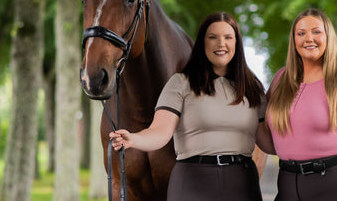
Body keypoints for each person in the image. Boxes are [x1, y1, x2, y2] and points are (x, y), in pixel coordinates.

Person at [110, 12, 274, 201]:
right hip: (193, 182)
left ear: (236, 43)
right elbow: (160, 131)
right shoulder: (180, 83)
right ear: (202, 43)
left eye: (228, 37)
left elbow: (267, 141)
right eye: (213, 37)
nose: (221, 44)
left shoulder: (252, 88)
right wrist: (134, 139)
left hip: (242, 183)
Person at [266, 8, 337, 201]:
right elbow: (264, 127)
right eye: (301, 33)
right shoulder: (280, 80)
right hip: (288, 184)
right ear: (294, 40)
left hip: (336, 186)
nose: (308, 38)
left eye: (316, 32)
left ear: (328, 37)